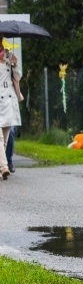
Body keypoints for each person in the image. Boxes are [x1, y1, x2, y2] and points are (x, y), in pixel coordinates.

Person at [0, 39, 22, 179]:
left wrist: (14, 65)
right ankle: (4, 167)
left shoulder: (9, 56)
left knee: (5, 139)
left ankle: (1, 167)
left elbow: (18, 77)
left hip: (9, 101)